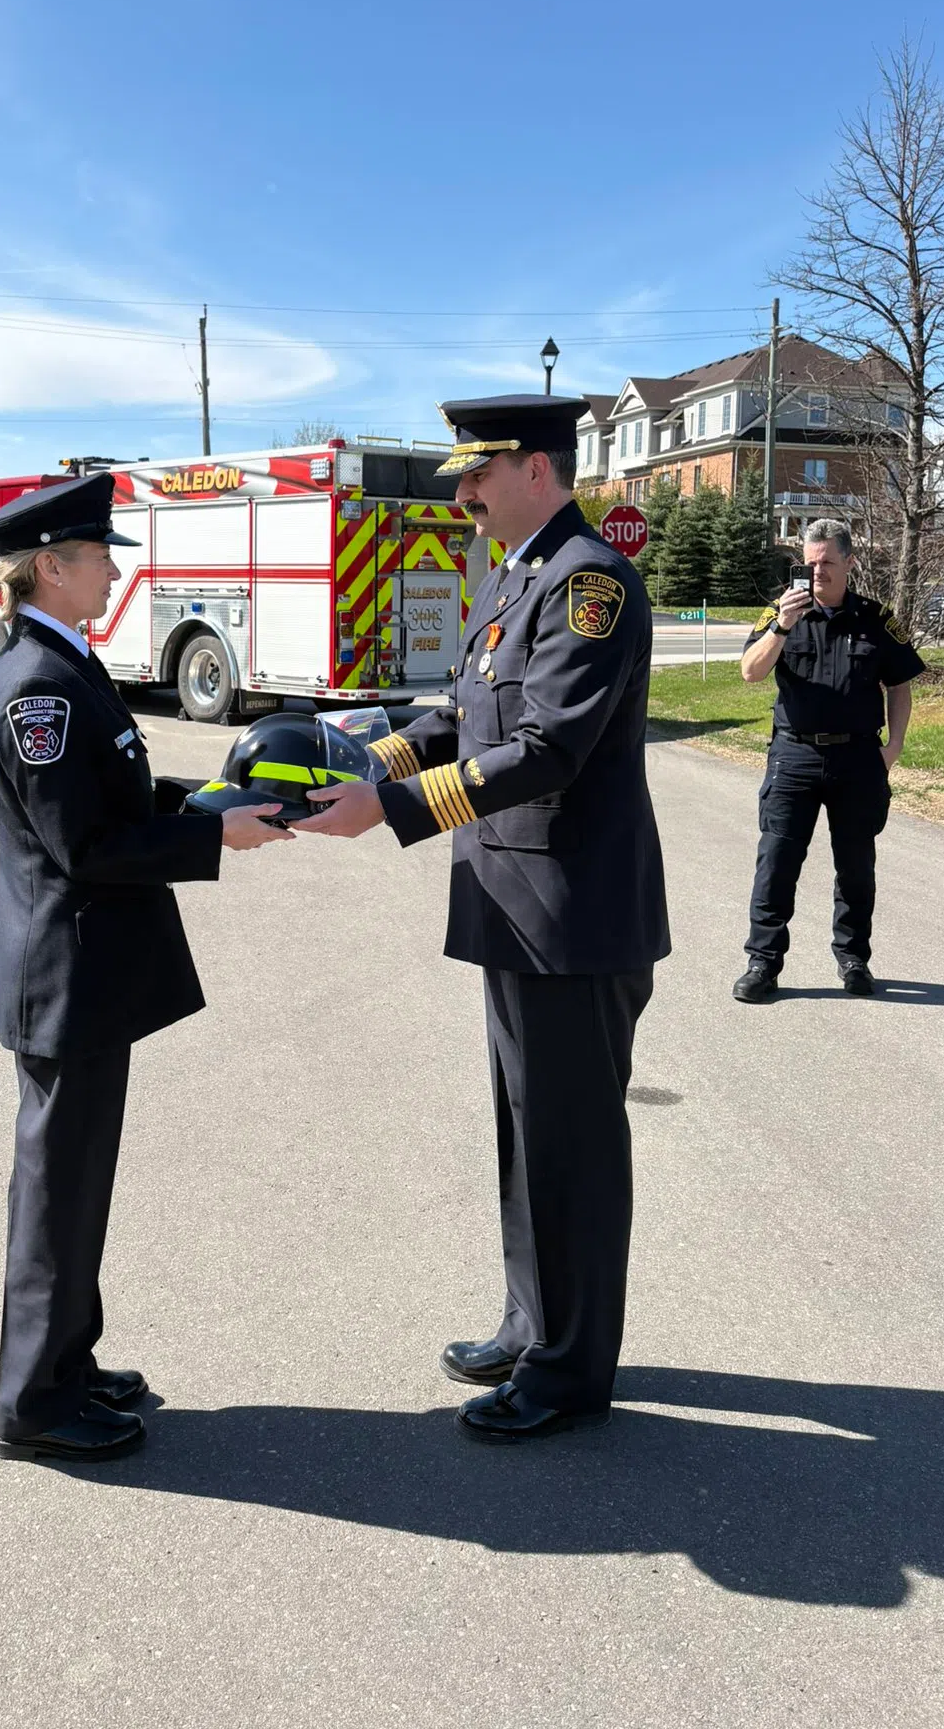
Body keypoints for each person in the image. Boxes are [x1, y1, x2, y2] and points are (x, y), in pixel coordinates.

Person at [295, 396, 670, 1442]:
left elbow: (549, 748)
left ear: (539, 470)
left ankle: (570, 1370)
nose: (460, 496)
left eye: (477, 474)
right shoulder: (518, 576)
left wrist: (397, 809)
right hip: (518, 907)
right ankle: (532, 1321)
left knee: (572, 1149)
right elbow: (462, 711)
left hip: (574, 916)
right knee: (524, 1132)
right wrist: (370, 760)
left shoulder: (589, 581)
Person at [0, 472, 290, 1466]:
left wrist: (212, 795)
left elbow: (122, 785)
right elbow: (86, 843)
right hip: (68, 977)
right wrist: (212, 838)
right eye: (98, 556)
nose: (111, 571)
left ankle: (68, 1358)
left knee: (76, 1179)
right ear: (50, 566)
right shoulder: (39, 686)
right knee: (58, 1187)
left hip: (81, 972)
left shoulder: (63, 658)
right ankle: (33, 1400)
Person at [732, 517, 925, 1003]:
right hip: (794, 755)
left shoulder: (877, 620)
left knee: (856, 865)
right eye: (809, 562)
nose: (816, 572)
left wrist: (894, 746)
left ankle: (854, 959)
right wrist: (781, 626)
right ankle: (763, 963)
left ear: (849, 563)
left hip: (858, 758)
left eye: (827, 563)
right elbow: (750, 673)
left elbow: (900, 685)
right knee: (776, 863)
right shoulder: (780, 613)